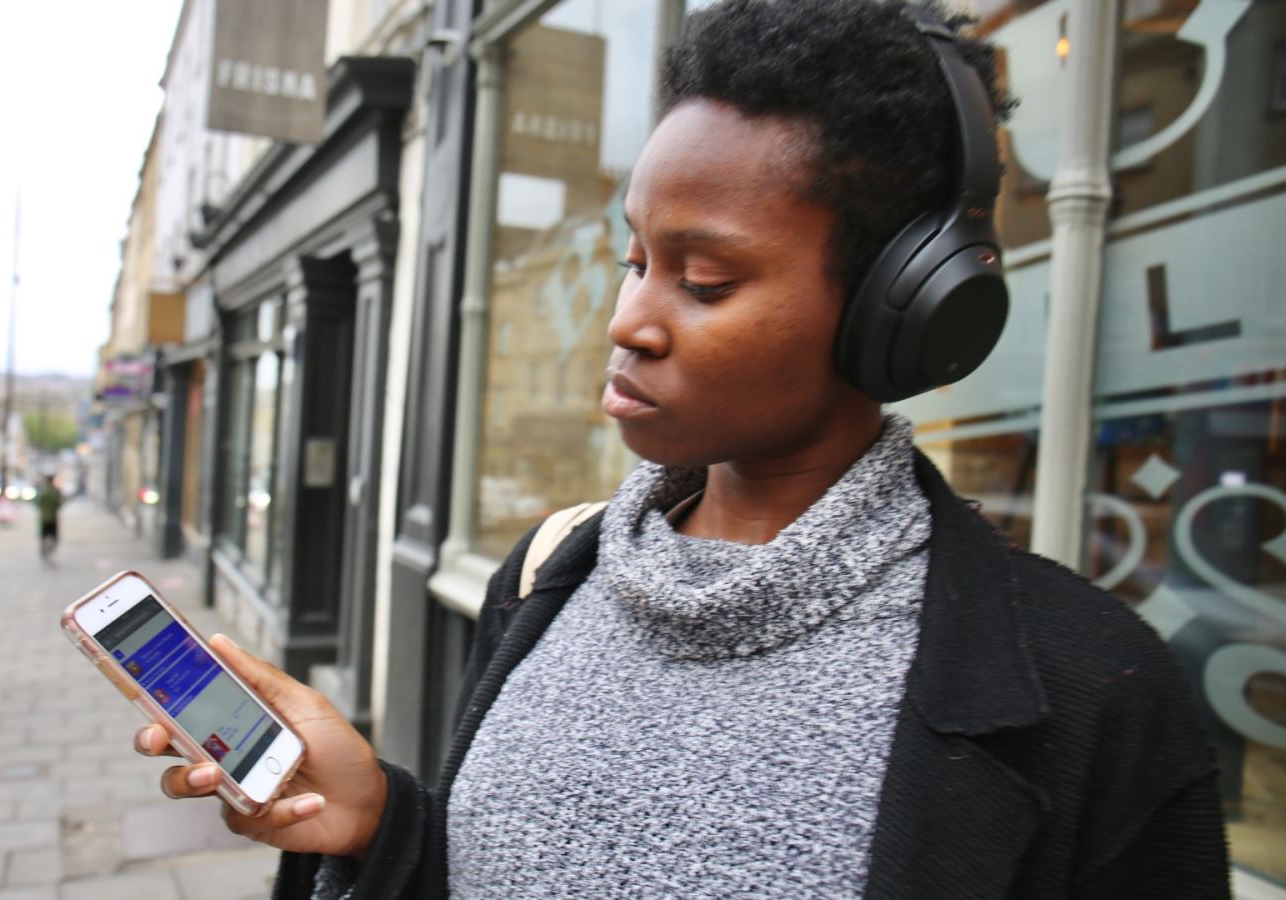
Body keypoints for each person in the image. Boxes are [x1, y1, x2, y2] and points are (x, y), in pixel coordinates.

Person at [130, 2, 1230, 897]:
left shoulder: (1092, 695)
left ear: (900, 309)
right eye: (634, 258)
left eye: (704, 280)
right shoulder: (549, 576)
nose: (630, 319)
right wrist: (380, 823)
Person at [35, 473, 63, 565]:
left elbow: (38, 503)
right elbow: (59, 504)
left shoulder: (43, 491)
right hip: (53, 518)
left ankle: (44, 553)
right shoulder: (55, 491)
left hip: (44, 518)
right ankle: (49, 553)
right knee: (54, 538)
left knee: (43, 537)